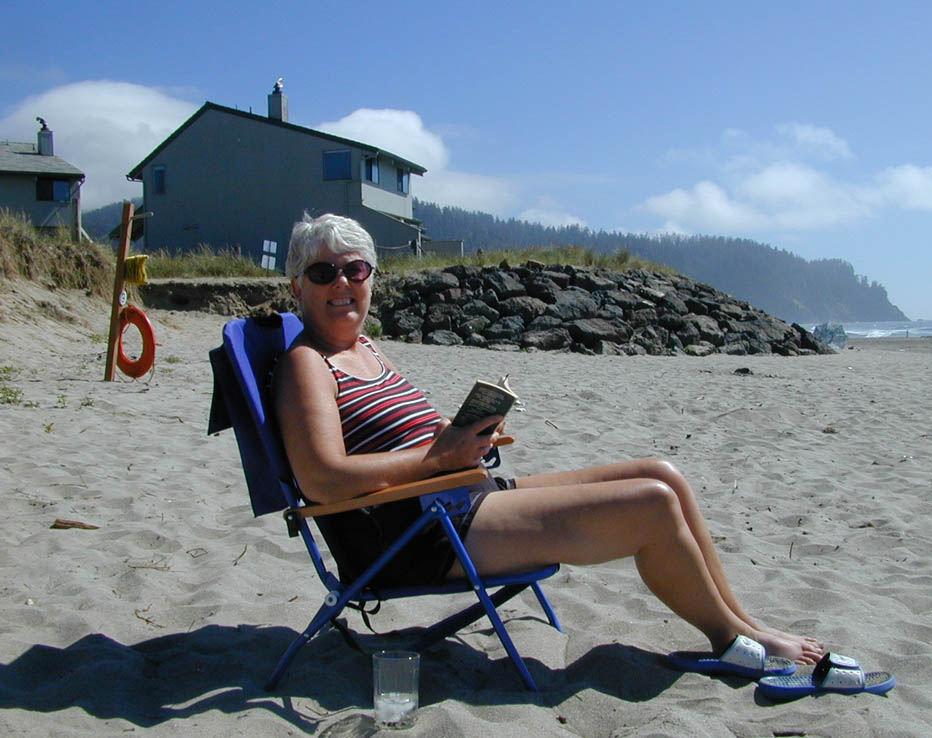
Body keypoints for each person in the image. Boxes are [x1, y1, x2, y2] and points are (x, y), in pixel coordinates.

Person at [273, 213, 823, 667]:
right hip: (425, 535)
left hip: (462, 496)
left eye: (355, 269)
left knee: (663, 474)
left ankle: (745, 624)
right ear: (298, 285)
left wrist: (467, 438)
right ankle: (732, 643)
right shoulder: (308, 364)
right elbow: (322, 481)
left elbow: (403, 445)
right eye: (323, 273)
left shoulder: (365, 348)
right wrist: (441, 454)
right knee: (651, 505)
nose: (342, 284)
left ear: (372, 277)